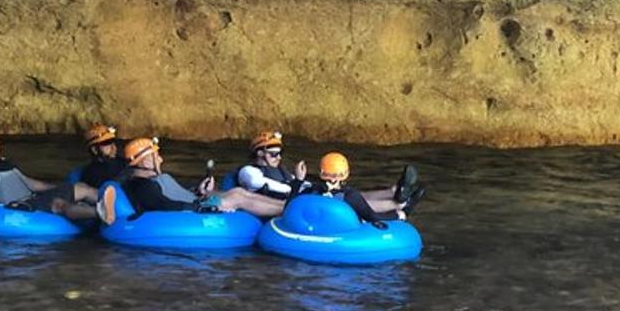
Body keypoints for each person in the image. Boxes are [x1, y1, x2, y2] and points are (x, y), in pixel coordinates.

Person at [100, 137, 288, 223]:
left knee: (238, 192)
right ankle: (288, 210)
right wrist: (202, 206)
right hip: (196, 208)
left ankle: (286, 205)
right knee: (238, 197)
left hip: (197, 200)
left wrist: (198, 190)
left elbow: (176, 194)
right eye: (157, 156)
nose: (161, 159)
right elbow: (166, 206)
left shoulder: (154, 179)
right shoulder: (143, 186)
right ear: (146, 160)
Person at [0, 125, 99, 238]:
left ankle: (116, 204)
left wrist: (62, 187)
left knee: (81, 188)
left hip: (34, 198)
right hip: (22, 206)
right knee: (58, 204)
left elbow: (28, 183)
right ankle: (101, 212)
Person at [238, 129, 421, 211]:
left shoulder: (281, 170)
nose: (278, 157)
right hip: (289, 203)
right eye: (273, 154)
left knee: (350, 194)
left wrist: (310, 185)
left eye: (280, 153)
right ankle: (399, 204)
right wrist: (302, 186)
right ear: (259, 153)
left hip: (299, 195)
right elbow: (265, 185)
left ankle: (395, 192)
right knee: (344, 203)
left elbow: (292, 184)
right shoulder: (248, 172)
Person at [288, 152, 424, 228]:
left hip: (321, 229)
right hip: (344, 227)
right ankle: (402, 212)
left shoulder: (313, 191)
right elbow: (373, 217)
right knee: (368, 214)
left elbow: (289, 209)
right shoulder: (350, 196)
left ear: (322, 173)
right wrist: (398, 216)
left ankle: (398, 197)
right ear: (345, 174)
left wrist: (298, 180)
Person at [78, 124, 126, 188]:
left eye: (113, 142)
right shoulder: (92, 174)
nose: (113, 147)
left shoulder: (123, 162)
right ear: (94, 149)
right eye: (106, 143)